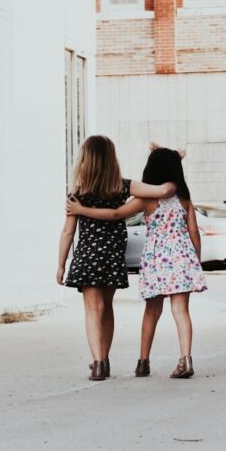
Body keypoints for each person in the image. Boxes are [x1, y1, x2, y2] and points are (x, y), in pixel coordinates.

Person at [67, 146, 206, 379]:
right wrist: (196, 261)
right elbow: (194, 231)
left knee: (152, 311)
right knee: (181, 310)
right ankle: (186, 359)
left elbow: (115, 214)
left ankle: (143, 362)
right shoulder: (184, 199)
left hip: (157, 260)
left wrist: (82, 210)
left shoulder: (146, 200)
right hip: (182, 259)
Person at [57, 135, 175, 381]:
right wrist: (172, 161)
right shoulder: (122, 186)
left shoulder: (78, 193)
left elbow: (68, 232)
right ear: (112, 159)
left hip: (88, 256)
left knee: (92, 309)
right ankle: (105, 361)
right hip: (111, 257)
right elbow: (163, 189)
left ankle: (98, 362)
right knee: (107, 307)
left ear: (85, 160)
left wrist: (61, 264)